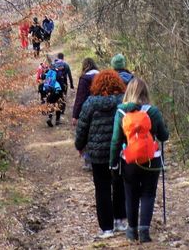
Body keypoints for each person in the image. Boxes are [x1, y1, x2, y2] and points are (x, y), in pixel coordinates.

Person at [111, 77, 169, 243]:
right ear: (146, 92)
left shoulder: (121, 112)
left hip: (129, 160)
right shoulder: (153, 111)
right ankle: (144, 230)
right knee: (148, 194)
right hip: (152, 159)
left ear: (128, 91)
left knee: (130, 194)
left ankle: (131, 230)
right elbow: (163, 136)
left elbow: (116, 140)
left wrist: (113, 162)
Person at [74, 69, 129, 238]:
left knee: (102, 188)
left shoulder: (90, 103)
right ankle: (121, 220)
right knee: (119, 185)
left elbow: (82, 127)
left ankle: (107, 228)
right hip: (119, 151)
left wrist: (80, 145)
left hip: (98, 154)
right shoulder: (123, 101)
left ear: (96, 85)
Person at [39, 56, 68, 127]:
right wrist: (63, 92)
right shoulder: (59, 73)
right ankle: (57, 120)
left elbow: (42, 77)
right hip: (57, 91)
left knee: (51, 104)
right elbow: (61, 84)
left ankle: (50, 117)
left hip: (49, 90)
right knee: (58, 104)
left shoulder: (49, 72)